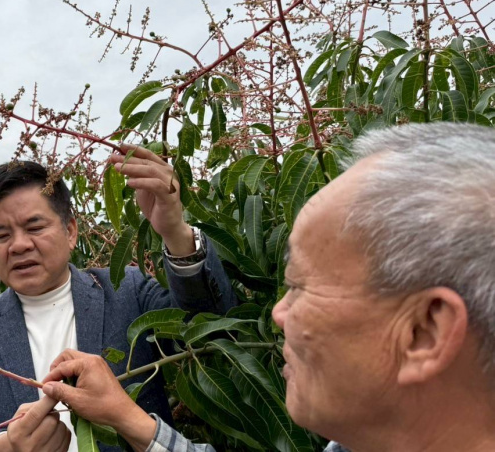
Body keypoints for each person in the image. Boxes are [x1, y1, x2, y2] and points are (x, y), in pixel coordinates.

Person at [37, 123, 495, 452]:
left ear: (424, 332)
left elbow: (210, 323)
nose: (277, 314)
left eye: (300, 286)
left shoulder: (126, 289)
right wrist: (128, 419)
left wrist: (175, 231)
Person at [0, 145, 237, 452]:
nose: (19, 245)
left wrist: (175, 233)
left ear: (70, 231)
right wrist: (5, 445)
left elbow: (210, 333)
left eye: (35, 227)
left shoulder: (128, 290)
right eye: (1, 235)